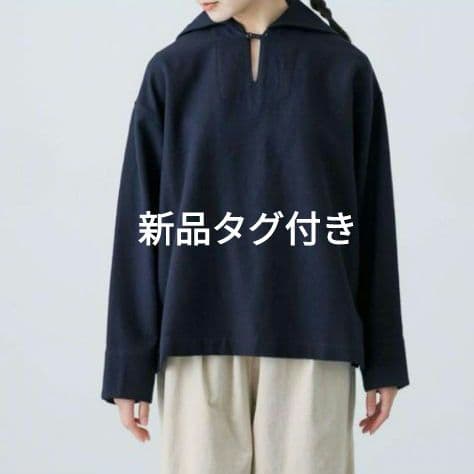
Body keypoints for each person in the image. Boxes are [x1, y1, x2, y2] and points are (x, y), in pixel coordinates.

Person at [101, 0, 410, 472]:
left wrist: (384, 357)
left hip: (315, 336)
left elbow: (372, 219)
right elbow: (140, 221)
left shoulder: (344, 69)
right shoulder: (172, 69)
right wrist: (129, 365)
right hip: (194, 337)